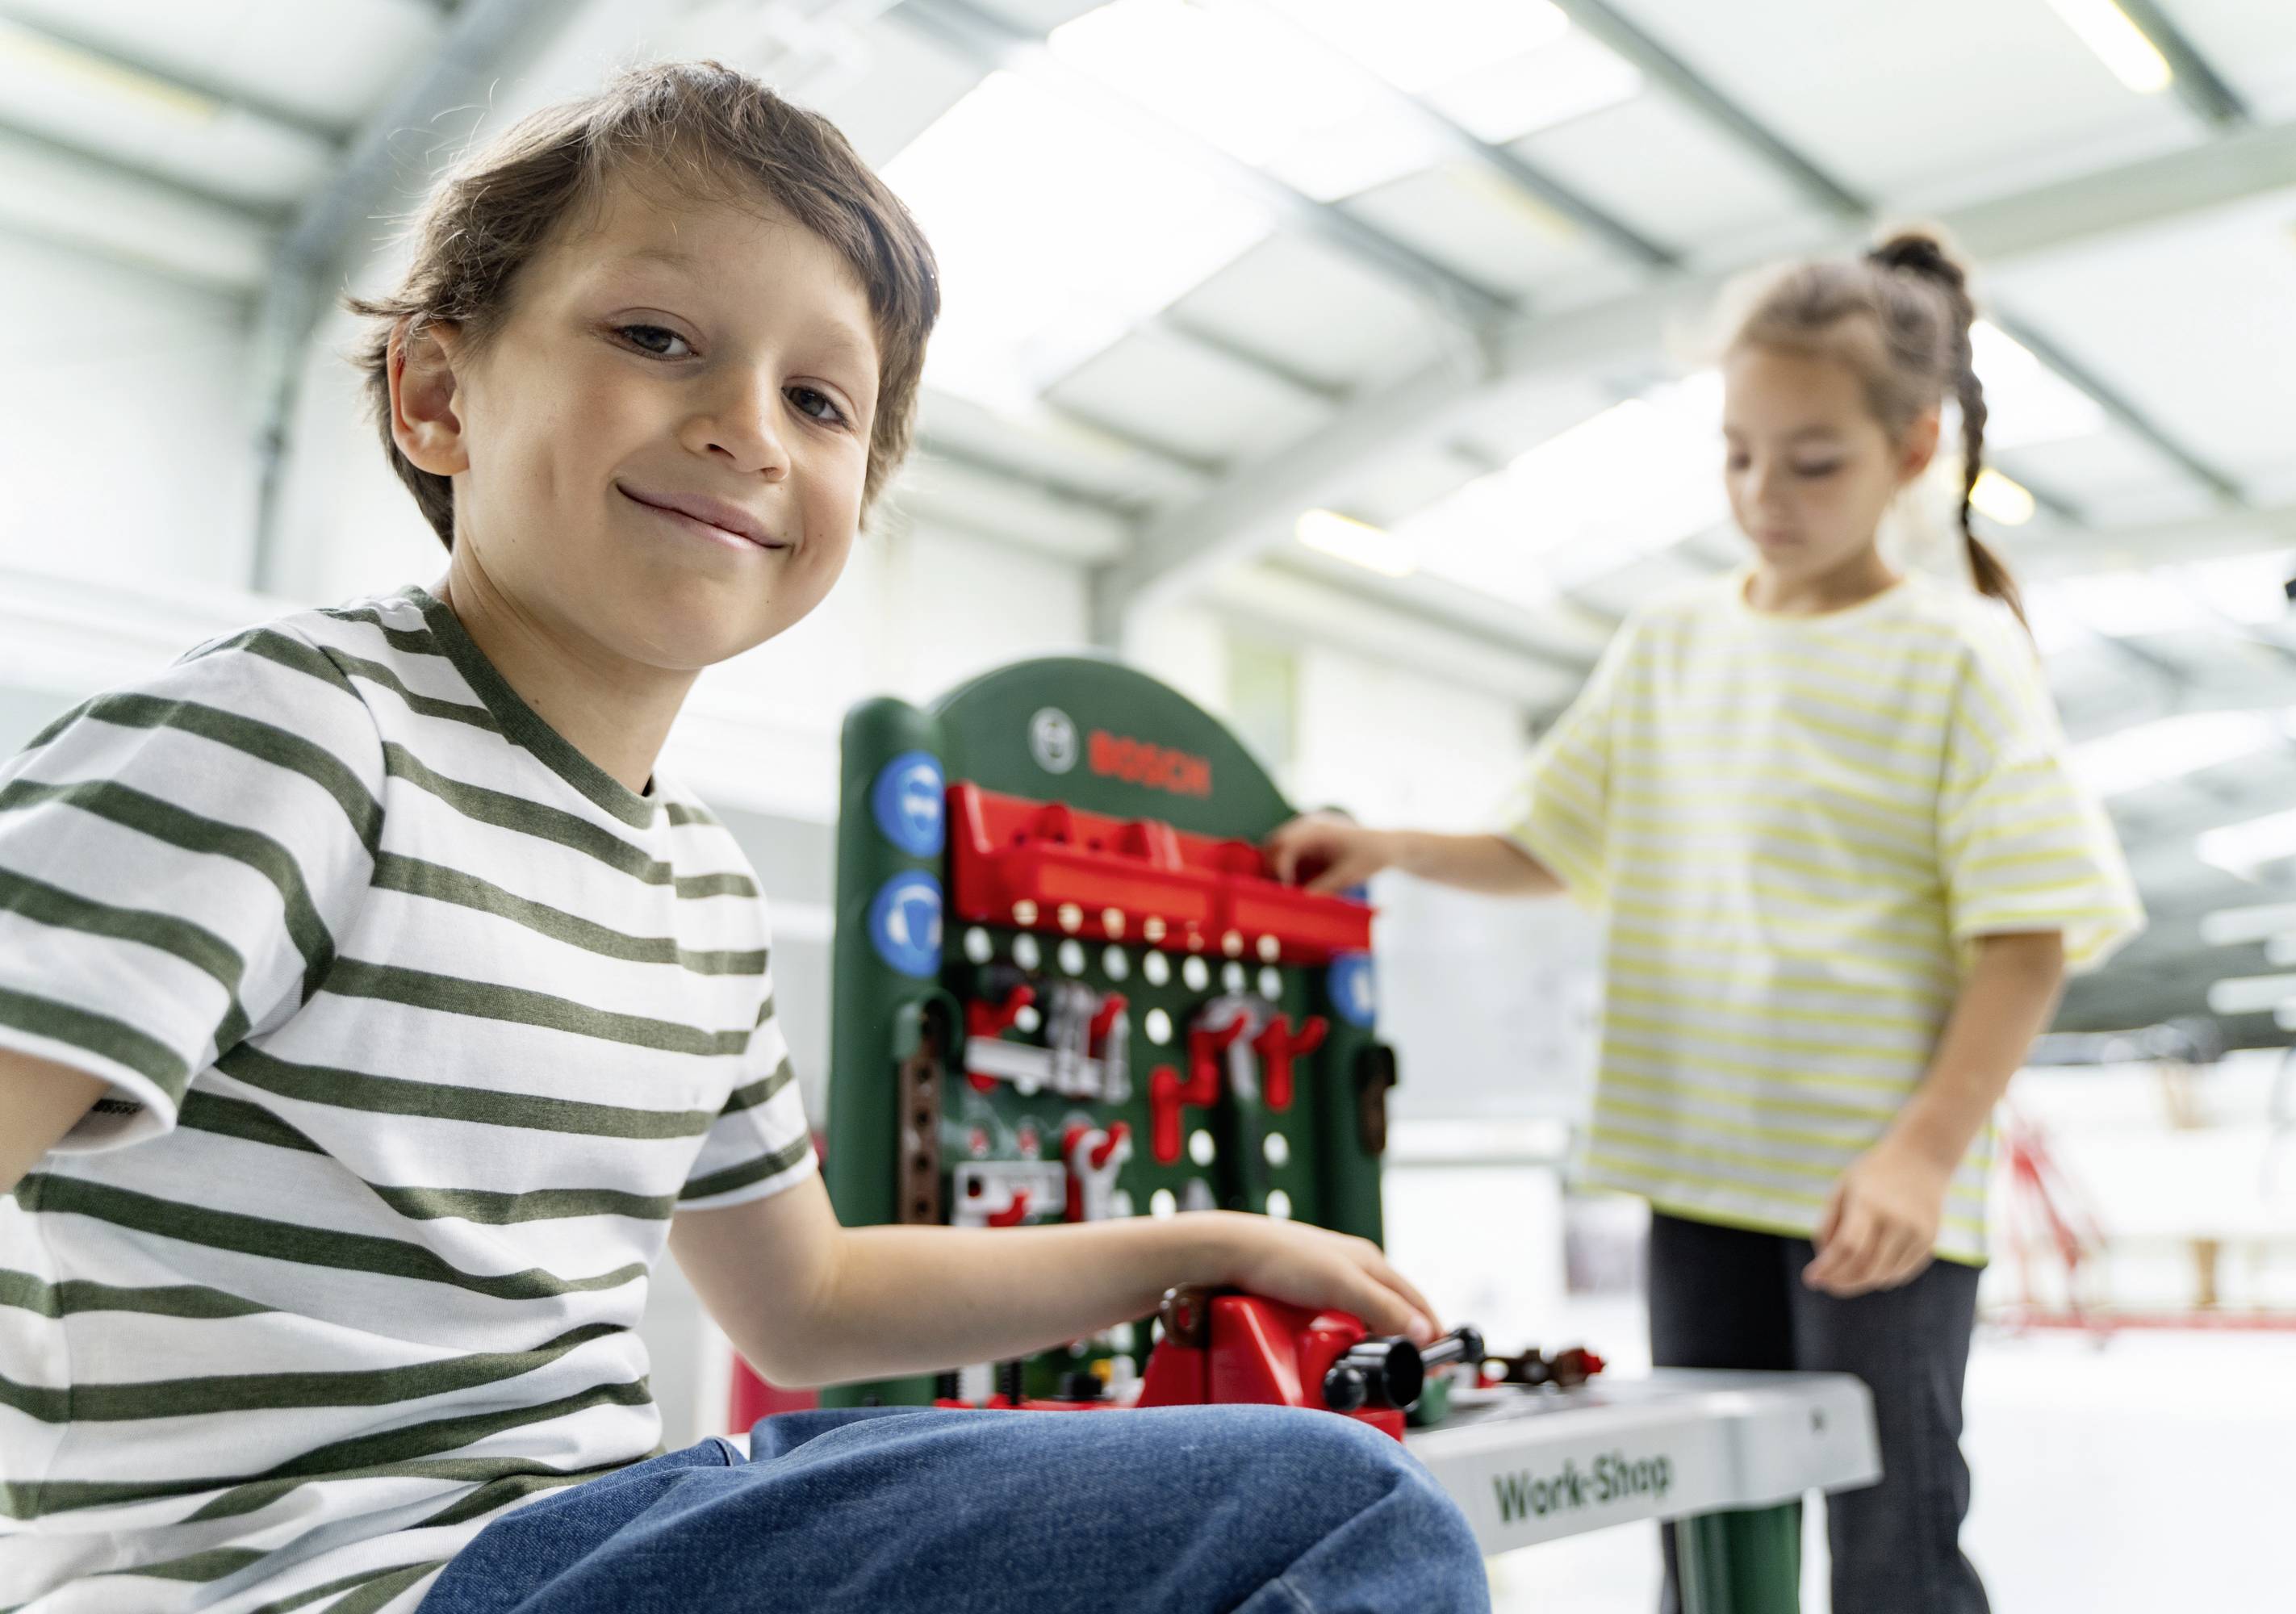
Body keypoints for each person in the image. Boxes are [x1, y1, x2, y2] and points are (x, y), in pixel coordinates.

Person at [0, 65, 1486, 1614]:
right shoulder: (298, 739)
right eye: (656, 339)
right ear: (438, 395)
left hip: (609, 1535)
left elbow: (811, 1300)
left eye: (819, 400)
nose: (743, 429)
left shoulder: (696, 884)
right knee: (1333, 1513)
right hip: (344, 1586)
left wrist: (1201, 1240)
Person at [1268, 232, 2143, 1612]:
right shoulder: (1671, 643)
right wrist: (1387, 846)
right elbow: (1544, 842)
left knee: (1891, 1545)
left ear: (1912, 452)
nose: (1764, 495)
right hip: (1700, 1169)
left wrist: (1919, 1159)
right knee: (1704, 1536)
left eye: (1812, 462)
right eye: (1738, 453)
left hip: (1878, 1199)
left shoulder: (1955, 649)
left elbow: (2027, 938)